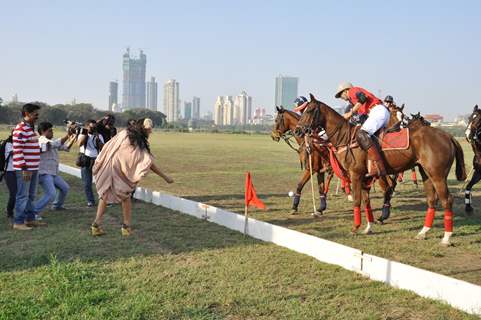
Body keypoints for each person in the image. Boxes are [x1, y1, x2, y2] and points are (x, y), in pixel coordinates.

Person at [90, 118, 174, 237]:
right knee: (125, 196)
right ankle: (126, 227)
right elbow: (148, 162)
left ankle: (96, 225)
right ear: (143, 129)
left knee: (104, 195)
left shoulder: (123, 134)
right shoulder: (137, 141)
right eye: (149, 130)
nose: (150, 132)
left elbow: (108, 146)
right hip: (117, 171)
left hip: (108, 167)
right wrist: (165, 177)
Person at [335, 82, 389, 178]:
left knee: (362, 134)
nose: (341, 98)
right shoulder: (353, 101)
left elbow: (363, 97)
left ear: (345, 90)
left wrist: (350, 113)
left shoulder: (352, 91)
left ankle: (378, 166)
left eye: (340, 95)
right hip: (379, 112)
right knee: (372, 138)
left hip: (377, 111)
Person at [33, 122, 75, 218]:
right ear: (43, 131)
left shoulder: (51, 141)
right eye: (50, 130)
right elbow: (53, 145)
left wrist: (72, 137)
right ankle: (34, 212)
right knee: (51, 194)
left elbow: (66, 148)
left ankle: (57, 206)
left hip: (52, 173)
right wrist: (68, 135)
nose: (52, 132)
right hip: (44, 173)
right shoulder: (42, 140)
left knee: (65, 188)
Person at [12, 103, 44, 230]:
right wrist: (24, 168)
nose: (37, 116)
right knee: (22, 196)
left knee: (31, 195)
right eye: (35, 113)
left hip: (34, 167)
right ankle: (18, 222)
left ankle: (30, 219)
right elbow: (17, 149)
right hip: (25, 169)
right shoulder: (21, 128)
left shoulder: (30, 128)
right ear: (27, 114)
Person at [77, 120, 104, 207]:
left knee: (101, 182)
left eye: (94, 127)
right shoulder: (82, 134)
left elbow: (103, 148)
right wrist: (86, 134)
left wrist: (97, 138)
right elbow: (79, 144)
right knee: (87, 183)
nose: (93, 128)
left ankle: (103, 200)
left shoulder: (99, 135)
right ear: (87, 126)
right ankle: (90, 201)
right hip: (85, 160)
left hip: (96, 160)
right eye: (91, 127)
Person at [2, 130, 16, 221]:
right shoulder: (8, 143)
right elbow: (12, 153)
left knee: (19, 193)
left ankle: (18, 211)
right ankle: (9, 211)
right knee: (13, 193)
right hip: (9, 172)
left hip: (17, 171)